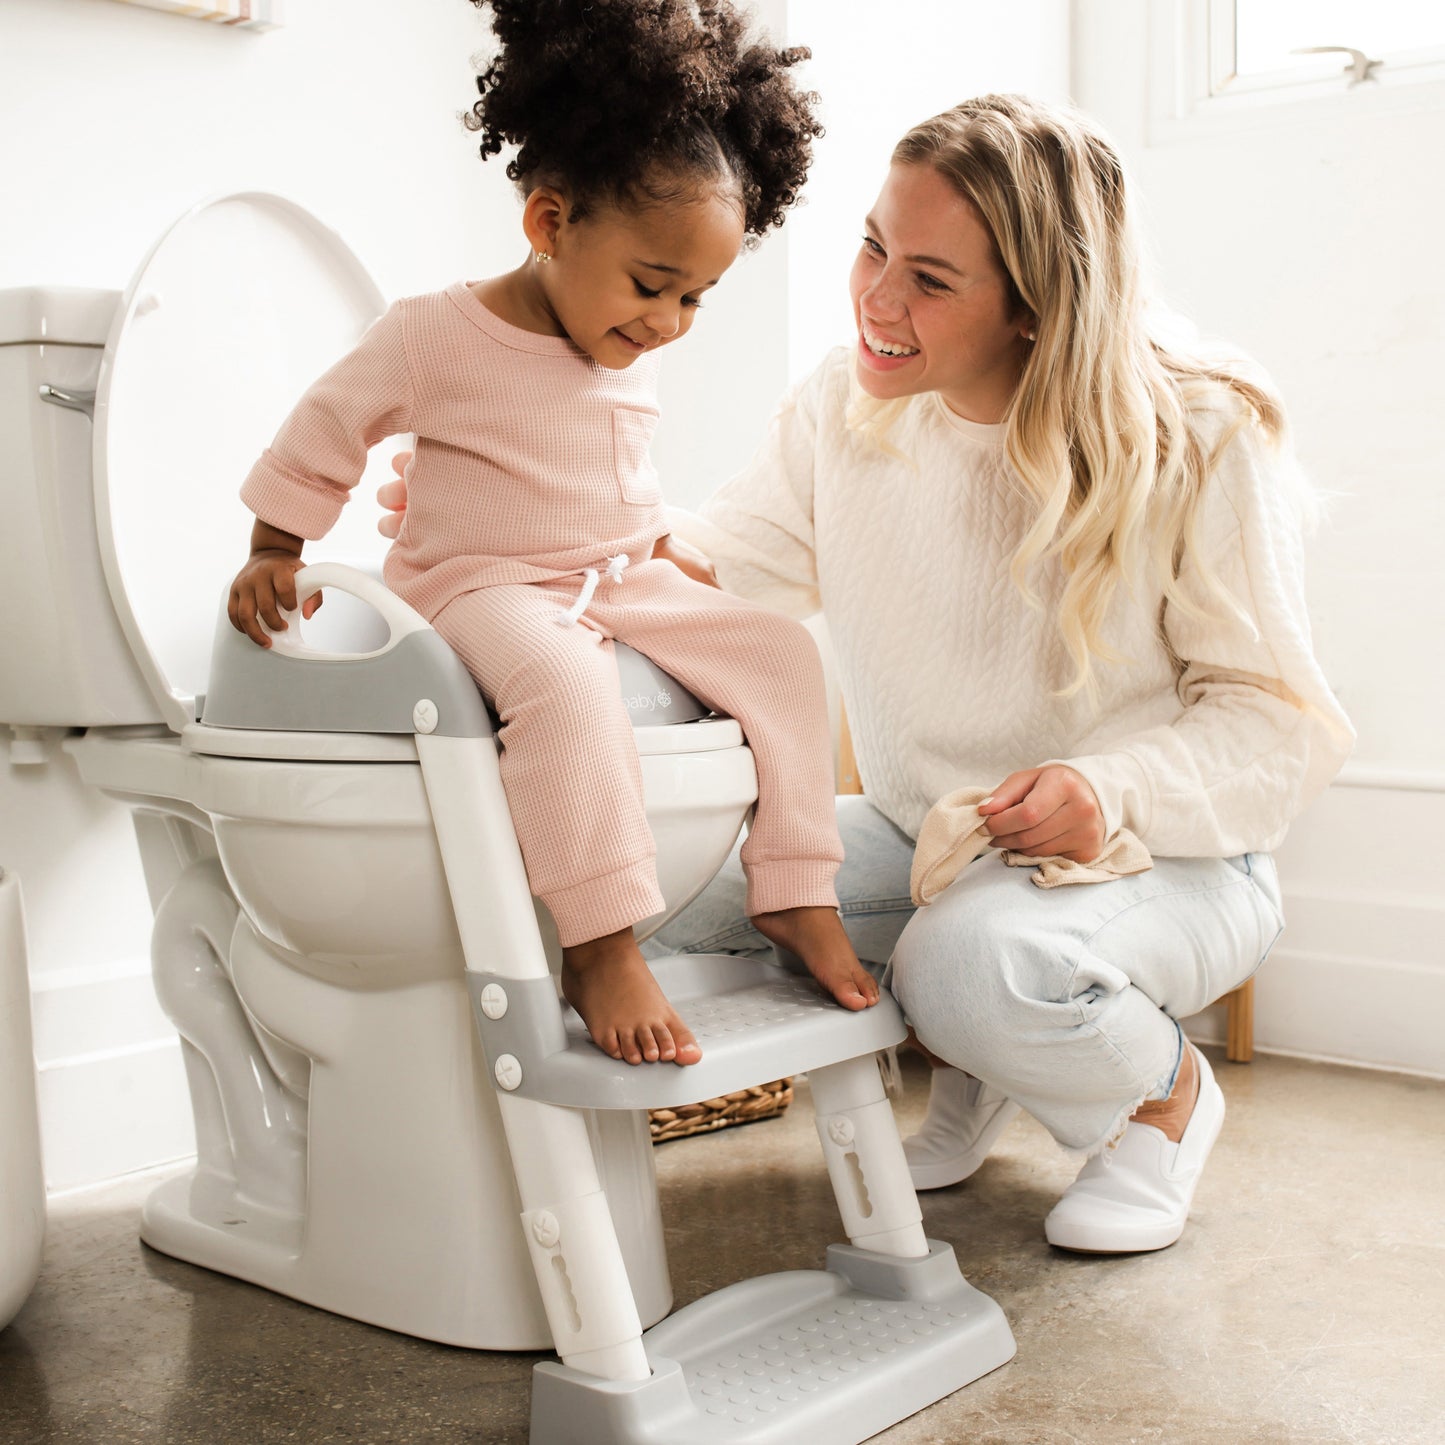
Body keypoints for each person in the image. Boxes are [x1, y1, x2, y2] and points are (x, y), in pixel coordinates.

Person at [637, 93, 1354, 1254]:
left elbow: (1276, 725)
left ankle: (1159, 1101)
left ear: (1034, 309)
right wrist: (547, 527)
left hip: (1166, 861)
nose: (876, 299)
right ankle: (985, 1054)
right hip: (932, 842)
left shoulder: (1197, 429)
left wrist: (1107, 788)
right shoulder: (842, 408)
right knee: (649, 886)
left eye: (929, 278)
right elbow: (718, 573)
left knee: (966, 958)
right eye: (872, 245)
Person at [226, 0, 880, 1072]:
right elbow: (326, 425)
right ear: (548, 223)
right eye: (651, 287)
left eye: (696, 300)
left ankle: (795, 884)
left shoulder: (619, 326)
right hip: (480, 584)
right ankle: (600, 941)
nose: (667, 321)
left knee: (782, 651)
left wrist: (658, 540)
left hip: (615, 574)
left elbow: (603, 474)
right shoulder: (435, 333)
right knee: (568, 691)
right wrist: (275, 546)